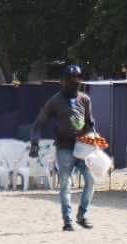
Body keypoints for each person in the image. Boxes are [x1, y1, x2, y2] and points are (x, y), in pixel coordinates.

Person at [30, 64, 97, 232]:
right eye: (70, 80)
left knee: (91, 180)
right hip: (64, 148)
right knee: (66, 184)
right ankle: (67, 221)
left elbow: (89, 123)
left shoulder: (85, 100)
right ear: (63, 81)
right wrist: (34, 143)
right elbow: (39, 123)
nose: (74, 82)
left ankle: (81, 215)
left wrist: (92, 135)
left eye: (77, 79)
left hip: (82, 147)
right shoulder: (55, 101)